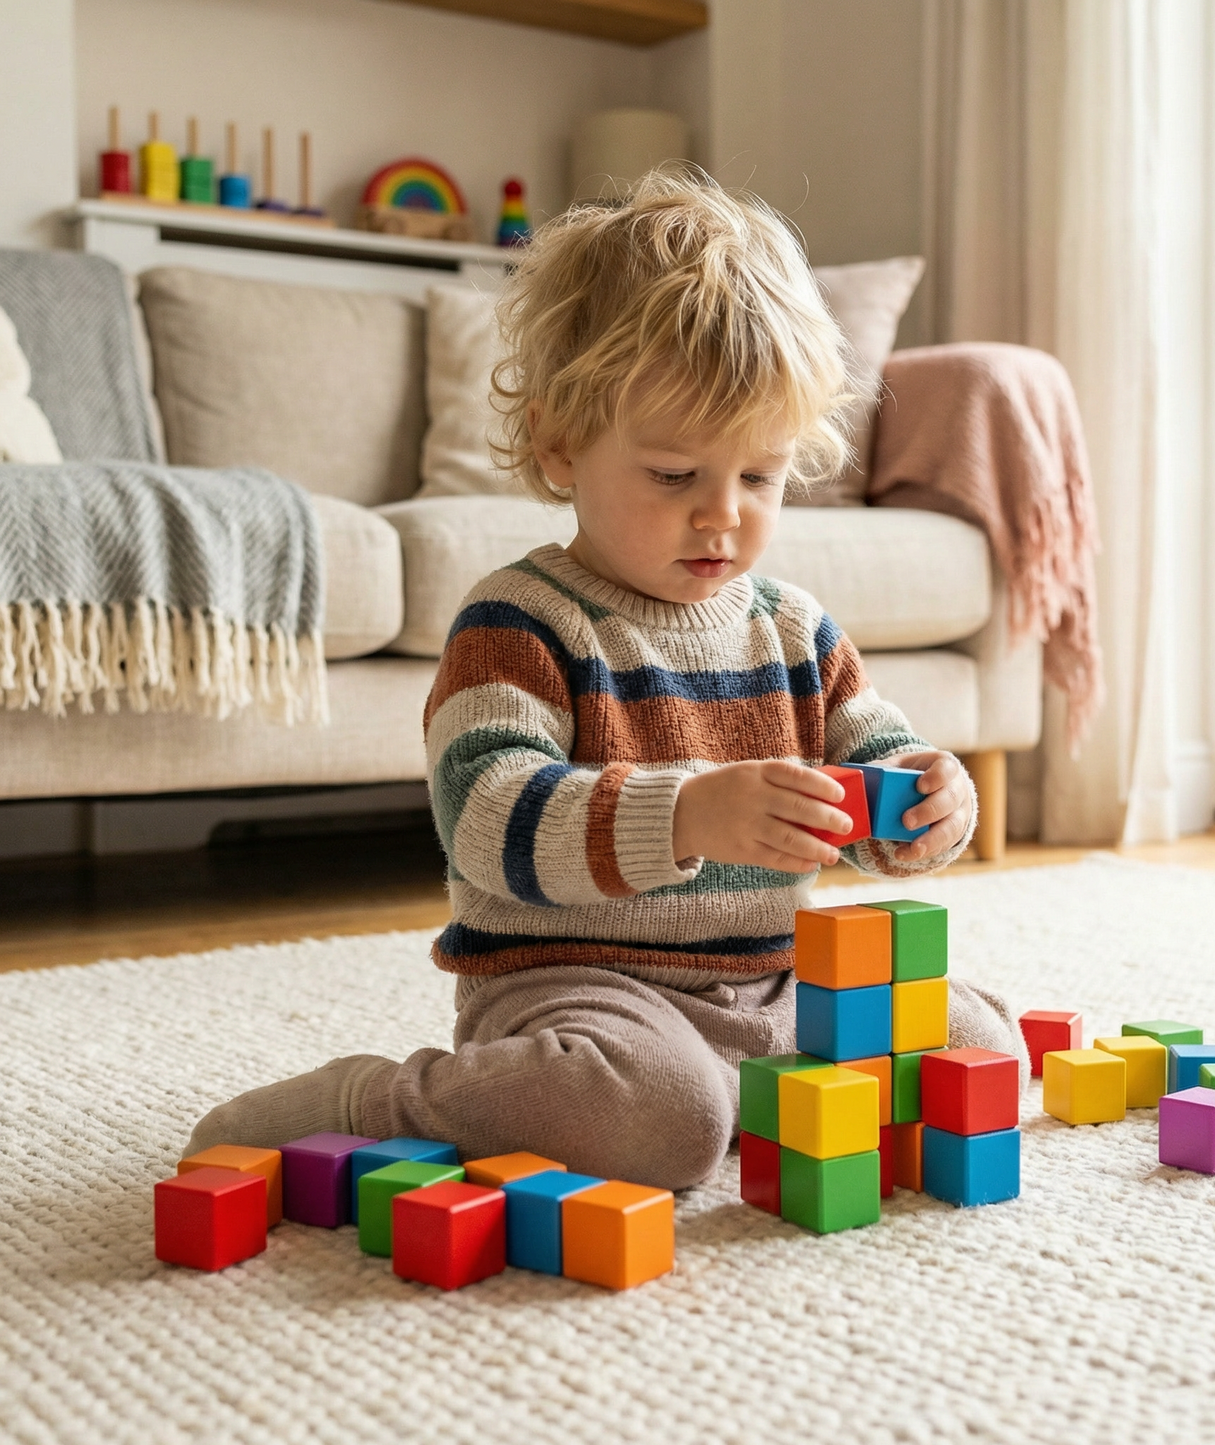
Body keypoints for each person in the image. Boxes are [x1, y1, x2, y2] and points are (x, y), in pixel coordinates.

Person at [188, 167, 1025, 1188]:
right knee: (656, 1120)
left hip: (772, 985)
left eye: (756, 476)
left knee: (983, 1042)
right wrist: (685, 819)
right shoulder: (522, 621)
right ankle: (379, 1099)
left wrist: (928, 799)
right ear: (557, 443)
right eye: (674, 475)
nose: (721, 514)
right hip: (577, 989)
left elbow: (878, 758)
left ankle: (737, 1094)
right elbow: (485, 820)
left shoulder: (796, 631)